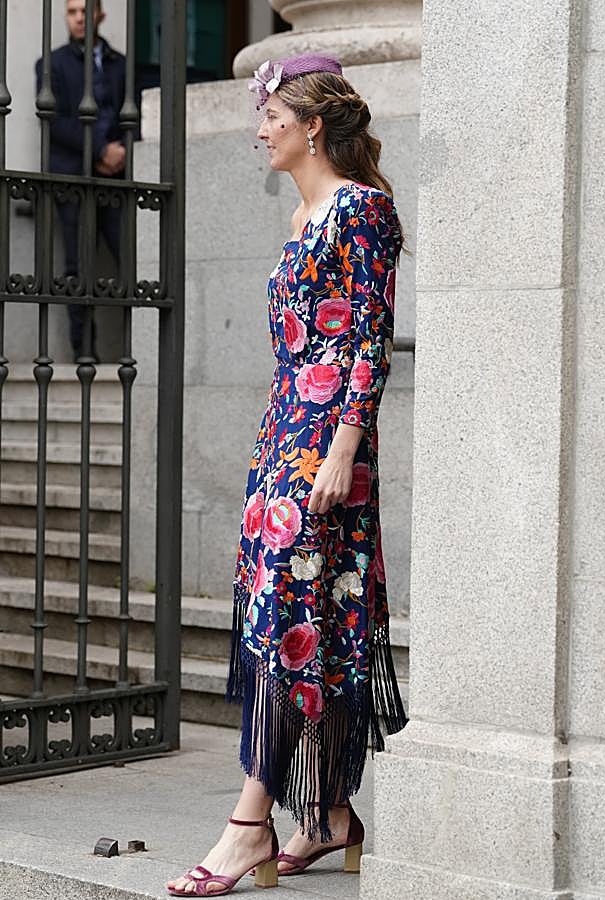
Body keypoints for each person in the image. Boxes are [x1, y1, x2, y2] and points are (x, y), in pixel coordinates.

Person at [166, 53, 407, 898]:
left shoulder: (361, 209)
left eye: (270, 115)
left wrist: (343, 447)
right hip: (284, 437)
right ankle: (329, 815)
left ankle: (248, 823)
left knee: (291, 615)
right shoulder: (304, 214)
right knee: (310, 614)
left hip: (328, 445)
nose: (259, 129)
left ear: (312, 125)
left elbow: (368, 338)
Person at [36, 0, 126, 362]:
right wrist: (100, 151)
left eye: (84, 11)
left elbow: (130, 116)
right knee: (78, 267)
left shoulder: (120, 63)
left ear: (100, 15)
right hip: (73, 179)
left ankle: (139, 351)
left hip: (118, 182)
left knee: (134, 264)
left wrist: (121, 154)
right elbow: (54, 120)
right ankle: (83, 354)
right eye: (72, 12)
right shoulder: (52, 63)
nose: (78, 18)